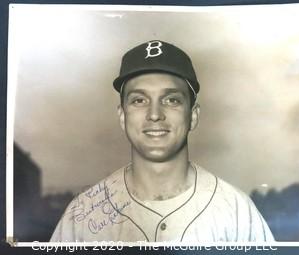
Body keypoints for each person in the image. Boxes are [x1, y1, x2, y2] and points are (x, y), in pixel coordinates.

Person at [50, 40, 274, 243]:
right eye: (139, 100)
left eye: (171, 99)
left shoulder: (237, 210)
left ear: (193, 116)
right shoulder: (82, 215)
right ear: (122, 116)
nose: (155, 114)